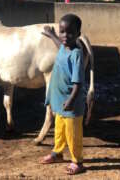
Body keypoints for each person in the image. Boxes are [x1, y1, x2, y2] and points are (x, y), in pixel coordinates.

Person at [40, 14, 86, 175]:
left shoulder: (76, 55)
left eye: (70, 33)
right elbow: (59, 42)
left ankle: (77, 161)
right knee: (59, 129)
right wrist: (51, 34)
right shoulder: (63, 47)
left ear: (78, 34)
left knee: (73, 134)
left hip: (71, 102)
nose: (65, 36)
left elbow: (78, 83)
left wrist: (72, 99)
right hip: (60, 100)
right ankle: (57, 153)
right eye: (62, 31)